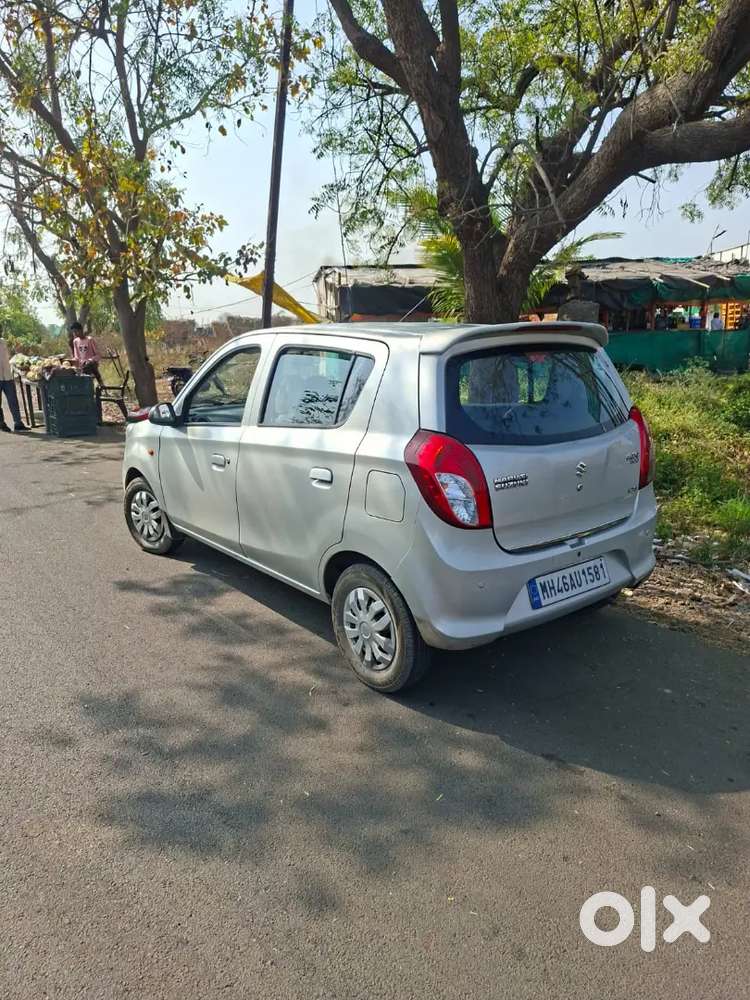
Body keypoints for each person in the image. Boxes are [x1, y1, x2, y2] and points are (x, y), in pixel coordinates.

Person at [0, 334, 26, 432]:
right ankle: (1, 423)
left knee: (13, 401)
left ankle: (18, 423)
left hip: (7, 376)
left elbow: (8, 357)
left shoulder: (3, 342)